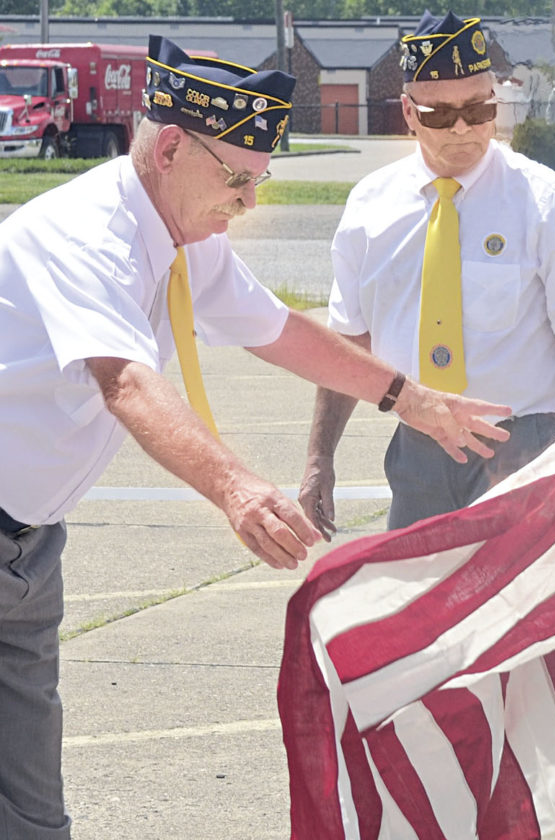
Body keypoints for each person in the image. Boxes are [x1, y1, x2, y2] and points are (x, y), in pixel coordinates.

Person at [0, 35, 511, 839]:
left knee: (29, 805)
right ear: (170, 147)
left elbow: (273, 329)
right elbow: (125, 382)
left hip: (27, 550)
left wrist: (405, 397)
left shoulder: (183, 234)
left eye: (259, 183)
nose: (246, 204)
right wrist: (238, 488)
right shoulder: (83, 233)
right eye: (236, 179)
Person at [299, 11, 555, 535]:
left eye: (479, 107)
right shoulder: (369, 206)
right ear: (407, 111)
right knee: (417, 608)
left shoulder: (545, 203)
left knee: (523, 610)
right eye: (441, 114)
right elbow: (349, 343)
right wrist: (320, 459)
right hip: (417, 456)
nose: (465, 127)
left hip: (522, 450)